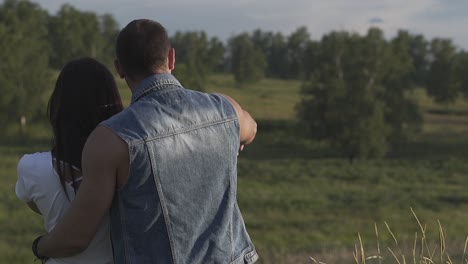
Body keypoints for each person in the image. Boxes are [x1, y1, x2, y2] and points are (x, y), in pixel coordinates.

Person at [34, 19, 258, 264]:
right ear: (171, 58)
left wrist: (39, 246)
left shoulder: (110, 139)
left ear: (119, 68)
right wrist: (229, 138)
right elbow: (250, 128)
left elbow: (76, 237)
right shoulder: (225, 109)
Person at [16, 57, 123, 264]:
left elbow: (37, 206)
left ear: (59, 106)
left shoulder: (32, 168)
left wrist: (40, 245)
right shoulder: (128, 164)